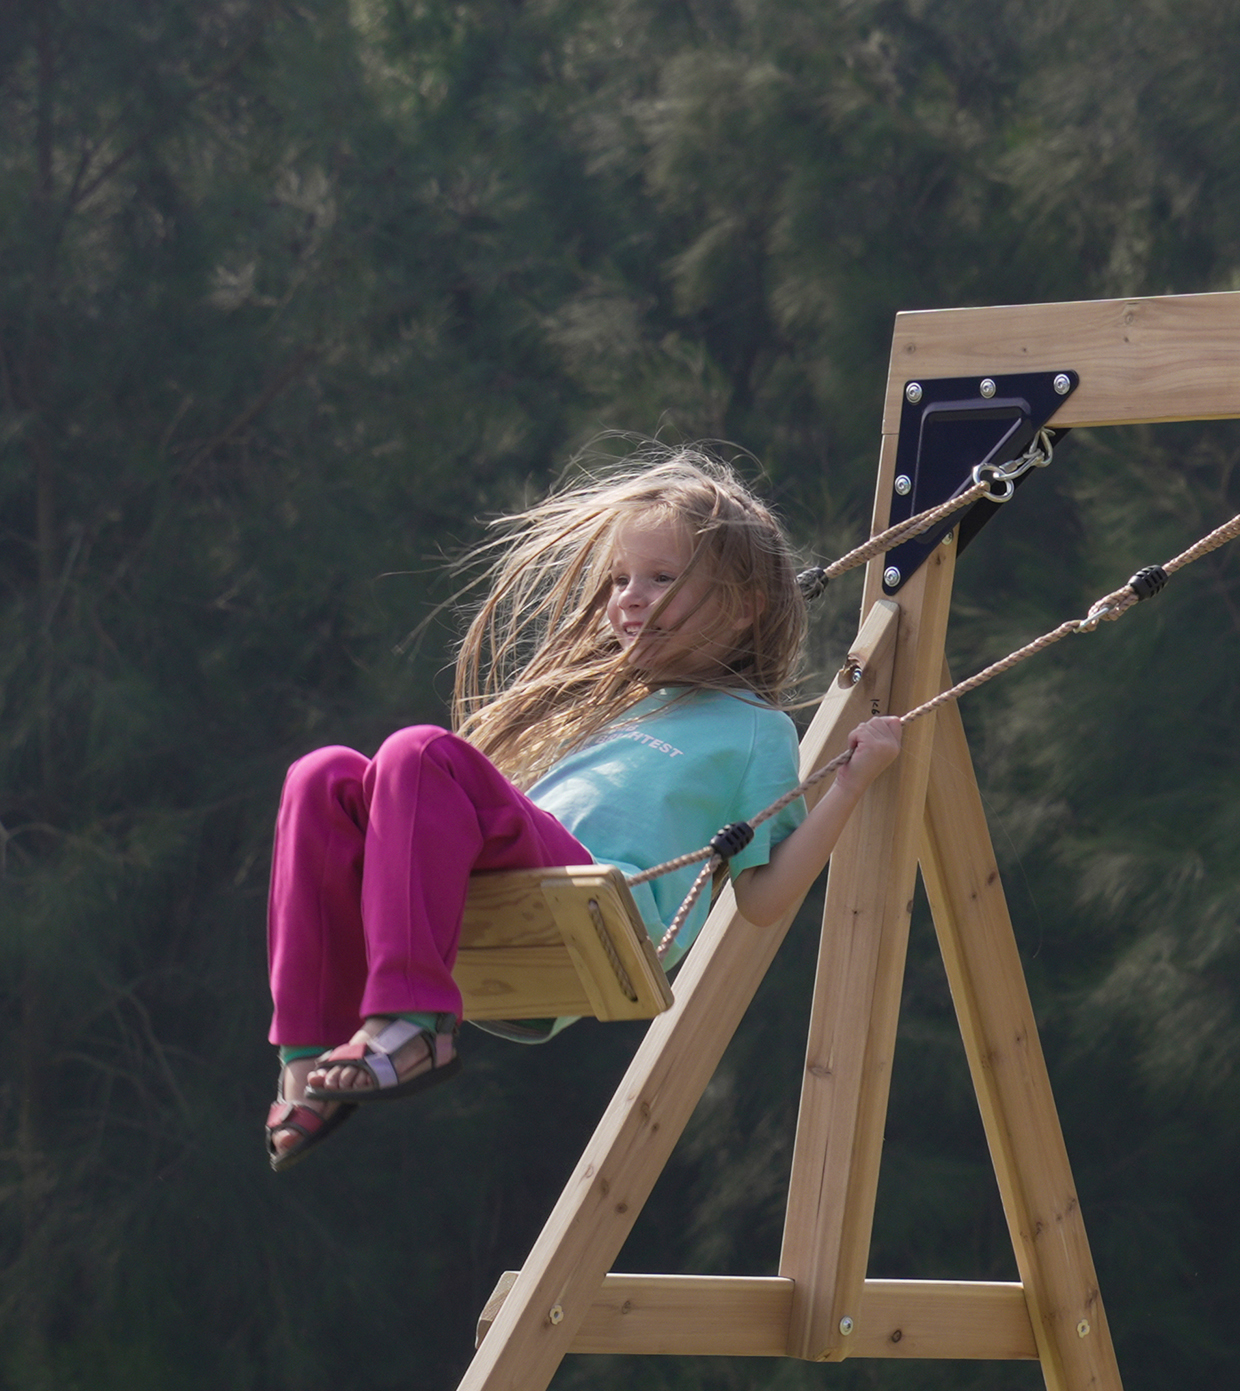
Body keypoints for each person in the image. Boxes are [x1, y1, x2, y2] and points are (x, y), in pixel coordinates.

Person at [262, 446, 905, 1170]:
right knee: (321, 775)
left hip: (594, 903)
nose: (629, 597)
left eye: (662, 579)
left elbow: (762, 897)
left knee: (420, 752)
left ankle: (413, 1026)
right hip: (509, 899)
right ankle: (307, 1060)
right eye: (621, 580)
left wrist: (848, 784)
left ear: (746, 606)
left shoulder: (752, 730)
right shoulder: (617, 709)